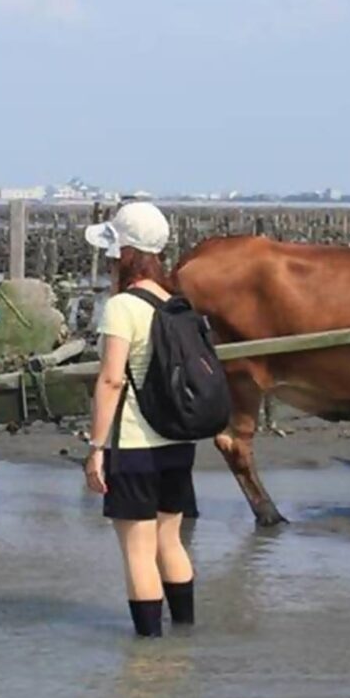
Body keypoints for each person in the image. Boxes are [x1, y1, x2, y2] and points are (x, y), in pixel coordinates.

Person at [82, 202, 197, 637]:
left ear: (126, 252)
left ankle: (148, 658)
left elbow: (111, 381)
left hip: (134, 447)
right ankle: (185, 637)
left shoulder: (123, 307)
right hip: (177, 442)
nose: (110, 258)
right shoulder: (176, 303)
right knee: (170, 542)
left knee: (137, 549)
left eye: (114, 249)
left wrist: (95, 449)